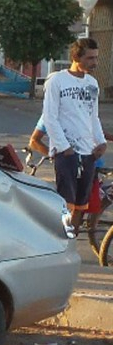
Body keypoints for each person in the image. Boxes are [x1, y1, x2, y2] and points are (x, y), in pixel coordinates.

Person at [41, 37, 107, 232]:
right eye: (89, 58)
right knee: (65, 204)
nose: (94, 63)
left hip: (89, 153)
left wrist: (101, 142)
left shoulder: (92, 83)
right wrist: (65, 148)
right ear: (76, 57)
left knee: (81, 205)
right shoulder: (57, 80)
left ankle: (72, 240)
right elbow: (50, 117)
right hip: (67, 152)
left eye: (96, 58)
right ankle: (59, 241)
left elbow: (92, 116)